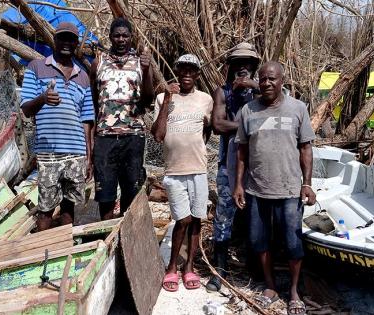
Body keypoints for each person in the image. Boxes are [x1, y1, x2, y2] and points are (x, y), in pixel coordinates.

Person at [233, 61, 316, 315]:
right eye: (263, 79)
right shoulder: (248, 111)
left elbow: (306, 149)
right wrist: (238, 184)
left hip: (290, 190)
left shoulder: (298, 108)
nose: (267, 83)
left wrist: (307, 183)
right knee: (259, 240)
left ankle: (293, 291)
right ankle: (270, 286)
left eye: (272, 79)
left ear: (282, 81)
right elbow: (242, 152)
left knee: (293, 243)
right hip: (257, 189)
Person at [21, 22, 95, 231]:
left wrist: (89, 157)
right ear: (54, 40)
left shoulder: (83, 77)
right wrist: (43, 98)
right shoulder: (37, 67)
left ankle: (64, 251)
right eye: (62, 38)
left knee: (69, 206)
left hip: (76, 152)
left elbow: (87, 120)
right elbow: (26, 109)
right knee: (45, 208)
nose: (66, 43)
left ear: (76, 43)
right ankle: (43, 256)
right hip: (49, 152)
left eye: (71, 39)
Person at [151, 54, 213, 292]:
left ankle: (189, 267)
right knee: (182, 219)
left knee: (196, 218)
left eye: (192, 70)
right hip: (174, 171)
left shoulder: (205, 100)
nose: (187, 74)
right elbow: (157, 135)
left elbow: (208, 129)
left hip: (198, 169)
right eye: (182, 70)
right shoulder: (162, 98)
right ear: (177, 71)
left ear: (197, 74)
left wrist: (195, 148)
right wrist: (167, 98)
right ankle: (171, 268)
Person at [206, 43, 260, 292]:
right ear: (230, 67)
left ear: (254, 66)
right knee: (224, 216)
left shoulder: (263, 92)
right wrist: (248, 128)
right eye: (237, 63)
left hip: (259, 167)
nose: (242, 68)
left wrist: (254, 87)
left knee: (256, 216)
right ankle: (220, 270)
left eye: (247, 63)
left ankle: (255, 268)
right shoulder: (223, 91)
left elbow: (285, 102)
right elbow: (217, 124)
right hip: (229, 165)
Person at [90, 17, 154, 220]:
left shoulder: (140, 62)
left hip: (133, 135)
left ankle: (125, 237)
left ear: (131, 37)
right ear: (110, 37)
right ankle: (107, 238)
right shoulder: (98, 62)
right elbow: (93, 100)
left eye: (125, 35)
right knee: (105, 193)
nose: (121, 39)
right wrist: (93, 136)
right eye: (116, 35)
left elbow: (148, 99)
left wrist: (146, 70)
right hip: (105, 137)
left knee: (131, 189)